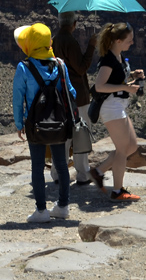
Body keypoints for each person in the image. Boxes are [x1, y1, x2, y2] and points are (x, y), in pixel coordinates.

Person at [13, 23, 75, 222]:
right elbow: (71, 93)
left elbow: (17, 97)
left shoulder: (24, 67)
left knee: (37, 166)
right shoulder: (60, 65)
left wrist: (18, 123)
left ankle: (41, 211)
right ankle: (63, 207)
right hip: (59, 123)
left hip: (35, 124)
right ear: (49, 41)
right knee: (62, 165)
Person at [89, 22, 144, 202]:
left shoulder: (118, 56)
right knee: (122, 150)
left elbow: (116, 78)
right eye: (129, 40)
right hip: (111, 108)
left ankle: (98, 172)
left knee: (132, 146)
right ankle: (118, 191)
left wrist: (132, 77)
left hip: (119, 106)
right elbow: (100, 86)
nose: (132, 43)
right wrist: (126, 88)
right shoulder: (108, 60)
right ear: (118, 41)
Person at [51, 11, 97, 186]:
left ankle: (57, 173)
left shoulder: (55, 40)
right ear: (74, 24)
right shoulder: (70, 41)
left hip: (59, 93)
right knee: (81, 133)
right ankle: (83, 174)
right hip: (78, 95)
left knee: (62, 135)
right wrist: (92, 46)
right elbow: (81, 68)